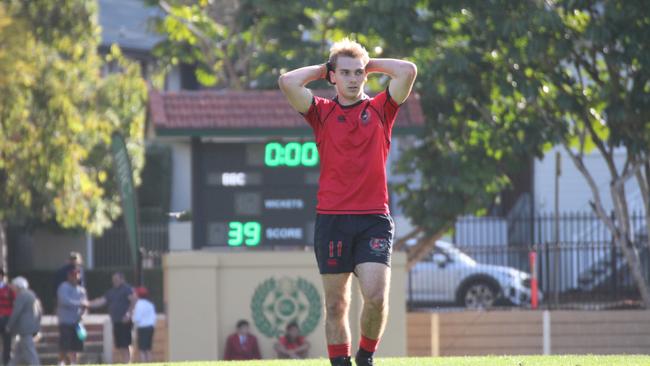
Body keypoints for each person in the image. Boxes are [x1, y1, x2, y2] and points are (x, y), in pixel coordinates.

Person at [278, 38, 417, 366]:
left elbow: (408, 71)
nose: (353, 78)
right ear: (333, 77)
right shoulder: (321, 113)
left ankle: (365, 356)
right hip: (332, 219)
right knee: (337, 305)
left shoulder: (382, 109)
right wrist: (323, 69)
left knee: (376, 297)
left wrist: (370, 63)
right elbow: (287, 81)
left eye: (358, 73)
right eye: (345, 73)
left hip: (373, 219)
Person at [88, 272, 136, 364]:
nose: (114, 281)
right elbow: (101, 301)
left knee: (126, 343)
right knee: (120, 344)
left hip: (125, 321)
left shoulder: (127, 289)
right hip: (116, 321)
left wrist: (129, 314)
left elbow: (133, 300)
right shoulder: (112, 292)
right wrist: (88, 304)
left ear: (122, 279)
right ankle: (125, 362)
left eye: (117, 279)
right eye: (113, 280)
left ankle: (128, 362)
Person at [6, 277, 41, 366]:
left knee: (30, 351)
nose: (12, 288)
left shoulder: (22, 295)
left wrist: (9, 325)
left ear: (18, 286)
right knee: (18, 352)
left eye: (13, 286)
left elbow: (16, 312)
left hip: (24, 328)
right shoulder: (31, 294)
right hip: (30, 326)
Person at [56, 267, 88, 365]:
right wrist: (79, 303)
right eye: (73, 275)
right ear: (69, 276)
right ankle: (60, 362)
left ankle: (73, 363)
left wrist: (84, 313)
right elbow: (64, 301)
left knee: (76, 346)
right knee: (65, 346)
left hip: (77, 322)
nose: (75, 277)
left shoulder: (81, 290)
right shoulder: (63, 287)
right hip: (65, 321)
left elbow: (85, 305)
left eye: (77, 275)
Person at [132, 287, 156, 363]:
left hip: (142, 327)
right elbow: (153, 317)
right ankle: (149, 362)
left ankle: (144, 363)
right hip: (150, 327)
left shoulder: (139, 304)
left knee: (142, 349)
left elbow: (137, 318)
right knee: (148, 349)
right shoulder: (150, 304)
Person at [0, 270, 14, 366]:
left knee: (7, 342)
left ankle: (6, 362)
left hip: (6, 317)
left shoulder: (9, 289)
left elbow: (15, 302)